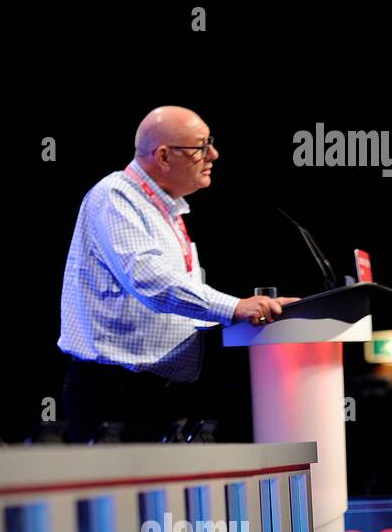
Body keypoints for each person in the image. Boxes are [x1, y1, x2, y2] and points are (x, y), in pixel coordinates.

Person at [58, 106, 299, 442]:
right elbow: (151, 282)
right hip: (114, 392)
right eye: (200, 146)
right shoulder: (116, 196)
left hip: (154, 390)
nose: (213, 154)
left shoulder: (165, 210)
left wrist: (248, 315)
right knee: (127, 497)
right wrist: (234, 308)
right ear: (164, 156)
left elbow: (180, 300)